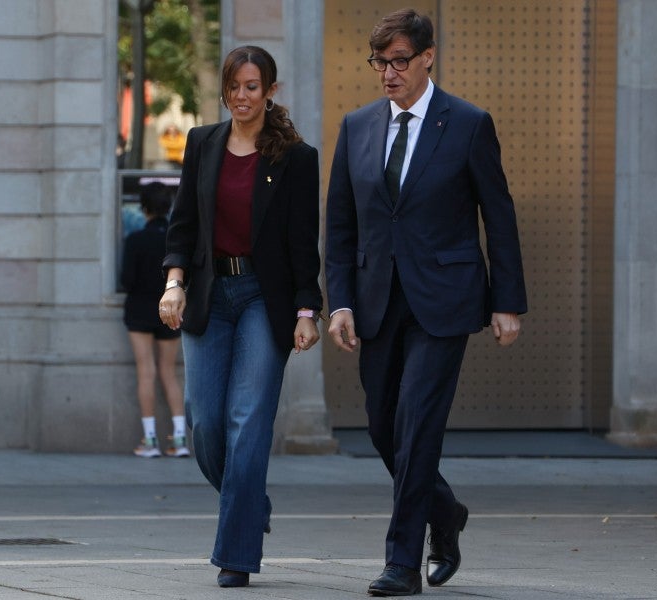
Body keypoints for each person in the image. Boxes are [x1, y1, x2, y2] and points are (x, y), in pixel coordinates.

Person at [324, 9, 527, 596]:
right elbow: (340, 225)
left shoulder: (466, 123)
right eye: (379, 63)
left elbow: (500, 215)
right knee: (385, 431)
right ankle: (446, 510)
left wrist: (506, 300)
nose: (388, 73)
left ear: (428, 57)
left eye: (399, 61)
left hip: (445, 302)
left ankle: (401, 562)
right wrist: (339, 301)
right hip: (375, 301)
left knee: (417, 426)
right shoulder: (358, 126)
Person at [158, 45, 321, 588]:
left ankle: (236, 555)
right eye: (234, 86)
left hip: (262, 299)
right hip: (210, 295)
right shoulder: (202, 143)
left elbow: (304, 243)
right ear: (225, 91)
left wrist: (307, 309)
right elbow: (182, 224)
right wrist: (173, 283)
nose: (242, 96)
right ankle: (252, 502)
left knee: (247, 422)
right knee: (205, 426)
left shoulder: (295, 157)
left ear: (270, 91)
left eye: (253, 86)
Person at [121, 182, 187, 458]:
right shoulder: (174, 241)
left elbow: (126, 280)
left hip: (139, 310)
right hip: (170, 311)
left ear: (144, 208)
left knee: (145, 371)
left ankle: (150, 441)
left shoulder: (135, 240)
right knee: (169, 373)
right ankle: (180, 439)